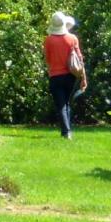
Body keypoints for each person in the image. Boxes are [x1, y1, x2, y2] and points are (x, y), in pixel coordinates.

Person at [43, 11, 86, 139]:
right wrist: (84, 78)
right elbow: (79, 59)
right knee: (66, 103)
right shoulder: (73, 39)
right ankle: (67, 131)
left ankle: (66, 132)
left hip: (55, 76)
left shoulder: (48, 40)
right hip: (70, 76)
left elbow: (47, 59)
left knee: (60, 104)